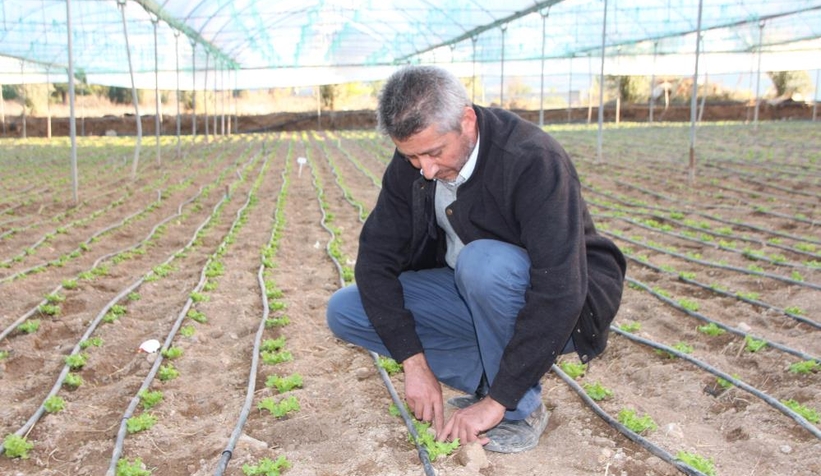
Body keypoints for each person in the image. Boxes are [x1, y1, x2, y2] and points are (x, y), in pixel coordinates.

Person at [326, 65, 626, 453]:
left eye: (434, 152)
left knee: (482, 263)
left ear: (466, 120)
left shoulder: (532, 159)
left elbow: (560, 288)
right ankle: (491, 380)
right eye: (412, 157)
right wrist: (414, 363)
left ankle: (516, 407)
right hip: (469, 293)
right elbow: (374, 261)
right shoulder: (413, 165)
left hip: (559, 307)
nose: (426, 170)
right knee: (347, 310)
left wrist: (499, 402)